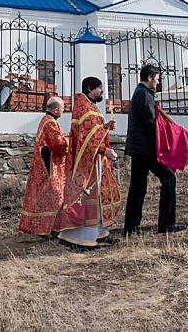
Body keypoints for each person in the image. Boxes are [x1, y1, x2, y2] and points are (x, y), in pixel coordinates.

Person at [55, 78, 122, 250]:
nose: (102, 91)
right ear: (90, 88)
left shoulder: (89, 105)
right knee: (88, 196)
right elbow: (87, 138)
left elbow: (94, 131)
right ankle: (80, 239)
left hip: (95, 159)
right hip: (88, 162)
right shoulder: (85, 108)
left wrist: (105, 126)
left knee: (98, 195)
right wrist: (103, 150)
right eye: (99, 88)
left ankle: (99, 233)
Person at [122, 64, 183, 237]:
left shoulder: (142, 93)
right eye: (157, 78)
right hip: (145, 148)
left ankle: (132, 228)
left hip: (140, 147)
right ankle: (166, 223)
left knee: (138, 187)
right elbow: (151, 121)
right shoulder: (142, 93)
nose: (158, 82)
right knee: (168, 178)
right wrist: (166, 136)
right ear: (149, 77)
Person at [18, 97, 69, 237]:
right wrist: (71, 140)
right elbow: (59, 144)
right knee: (55, 195)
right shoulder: (50, 122)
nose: (64, 110)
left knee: (47, 195)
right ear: (56, 109)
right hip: (48, 166)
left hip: (45, 164)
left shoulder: (47, 120)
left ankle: (48, 228)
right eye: (63, 108)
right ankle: (45, 229)